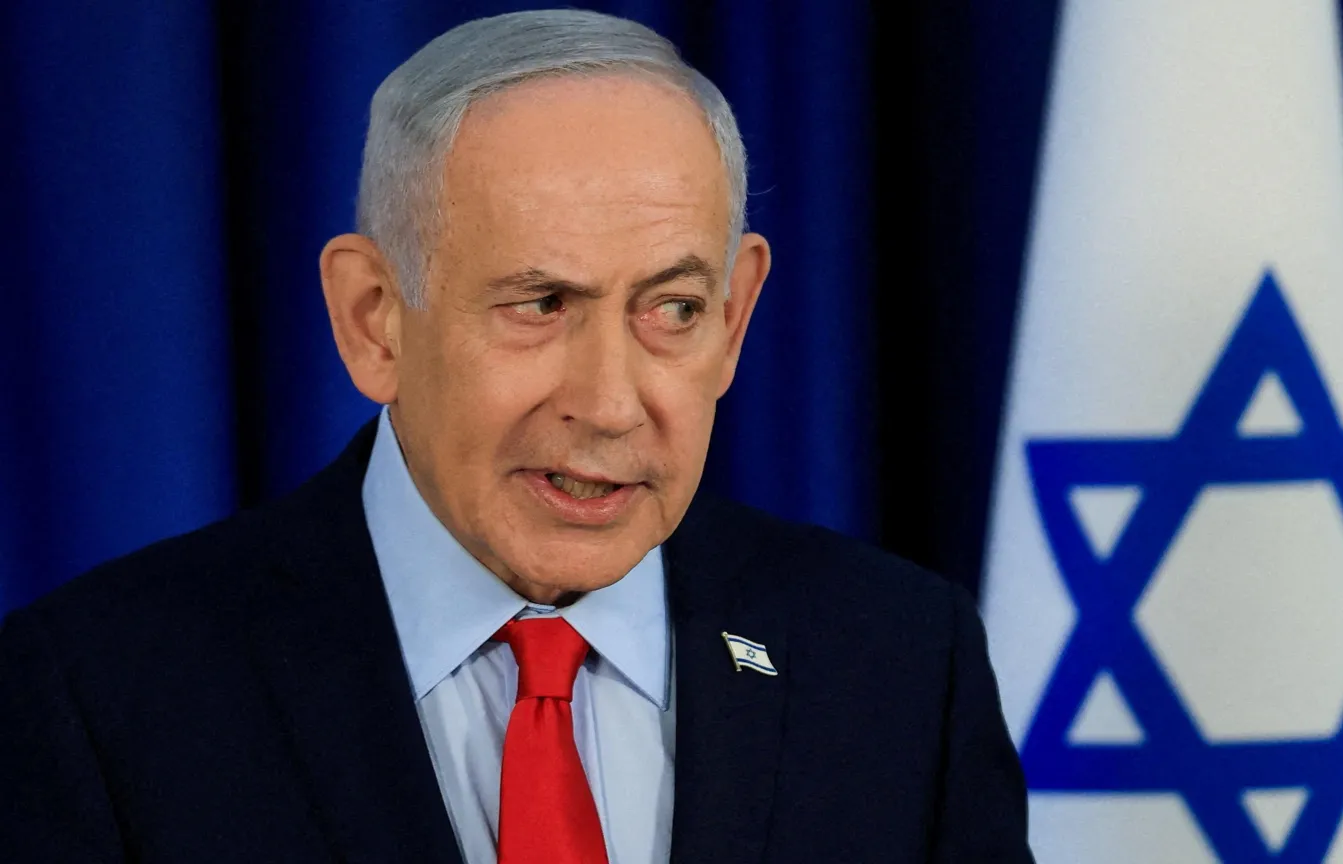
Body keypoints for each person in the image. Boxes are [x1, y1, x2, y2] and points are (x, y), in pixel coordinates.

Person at [0, 10, 1033, 863]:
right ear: (374, 319)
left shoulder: (898, 660)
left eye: (673, 309)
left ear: (734, 317)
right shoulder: (100, 695)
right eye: (540, 305)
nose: (611, 403)